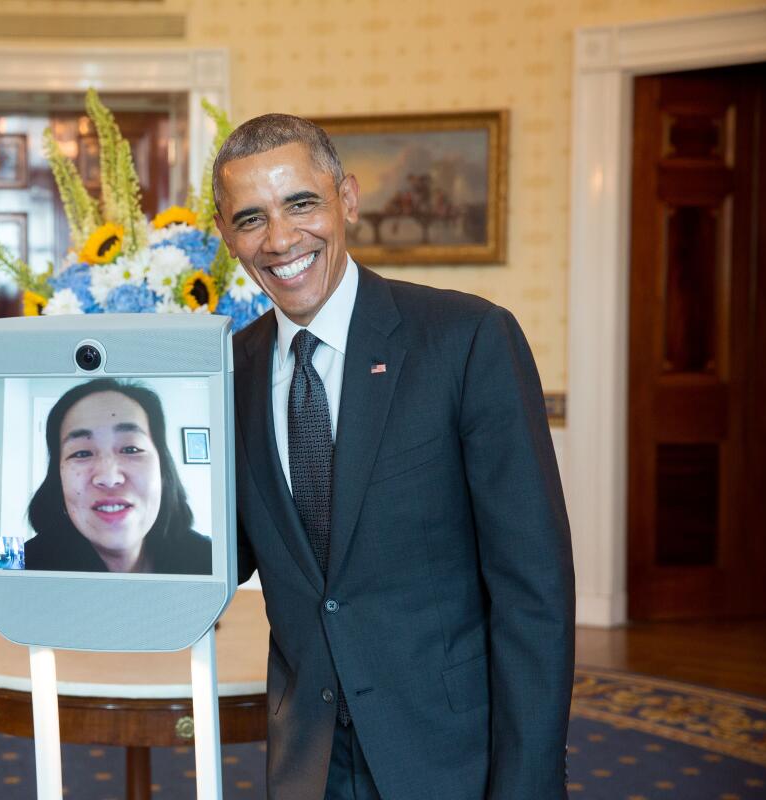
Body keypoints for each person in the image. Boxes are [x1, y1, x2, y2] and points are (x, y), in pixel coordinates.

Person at [213, 114, 574, 799]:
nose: (281, 239)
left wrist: (527, 785)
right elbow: (220, 553)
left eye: (301, 203)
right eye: (251, 217)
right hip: (308, 762)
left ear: (347, 199)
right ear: (227, 233)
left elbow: (535, 593)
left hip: (451, 757)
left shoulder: (467, 341)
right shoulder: (228, 371)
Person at [23, 378, 212, 575]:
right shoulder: (9, 559)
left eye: (131, 449)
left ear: (163, 469)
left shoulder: (210, 558)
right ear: (57, 479)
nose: (109, 477)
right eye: (81, 453)